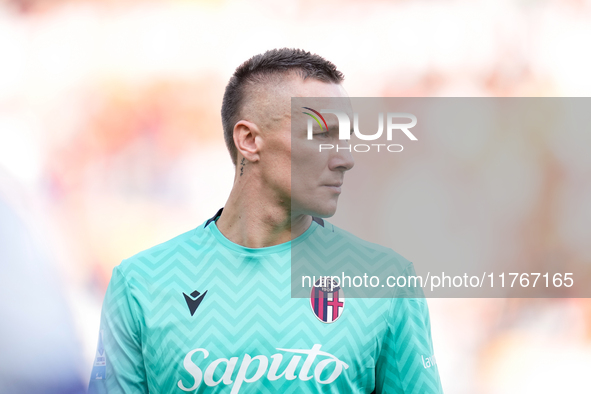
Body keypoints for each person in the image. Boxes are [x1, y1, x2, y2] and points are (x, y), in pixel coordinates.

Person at [88, 48, 443, 393]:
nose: (346, 158)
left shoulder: (384, 282)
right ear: (249, 140)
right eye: (322, 135)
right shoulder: (141, 284)